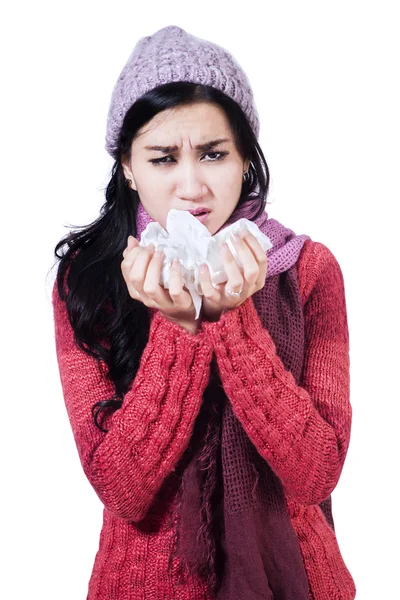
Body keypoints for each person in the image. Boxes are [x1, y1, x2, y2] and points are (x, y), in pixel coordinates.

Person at [52, 25, 356, 600]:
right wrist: (182, 329)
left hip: (296, 580)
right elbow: (121, 487)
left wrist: (232, 319)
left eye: (213, 154)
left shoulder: (309, 271)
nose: (191, 186)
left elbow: (316, 472)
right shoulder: (87, 282)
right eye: (163, 158)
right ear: (127, 166)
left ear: (245, 159)